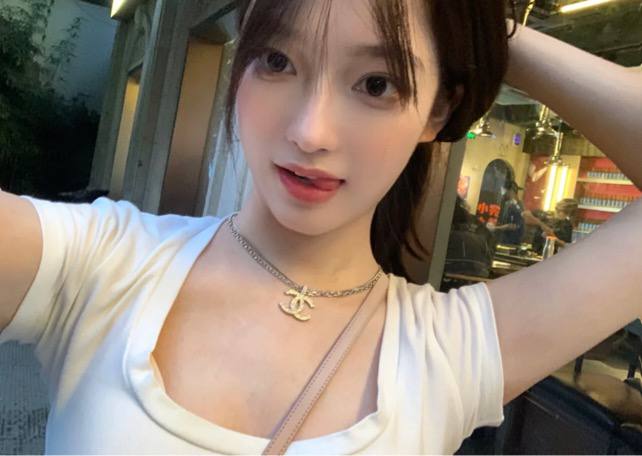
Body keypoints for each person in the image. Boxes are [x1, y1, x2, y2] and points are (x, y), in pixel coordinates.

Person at [0, 0, 641, 453]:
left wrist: (476, 24)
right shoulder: (98, 263)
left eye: (377, 82)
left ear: (438, 109)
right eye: (277, 60)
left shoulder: (449, 353)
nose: (311, 131)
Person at [489, 181, 525, 246]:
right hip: (505, 241)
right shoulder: (508, 204)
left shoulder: (515, 206)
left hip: (511, 243)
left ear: (511, 191)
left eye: (504, 191)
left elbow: (513, 226)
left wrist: (495, 228)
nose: (503, 194)